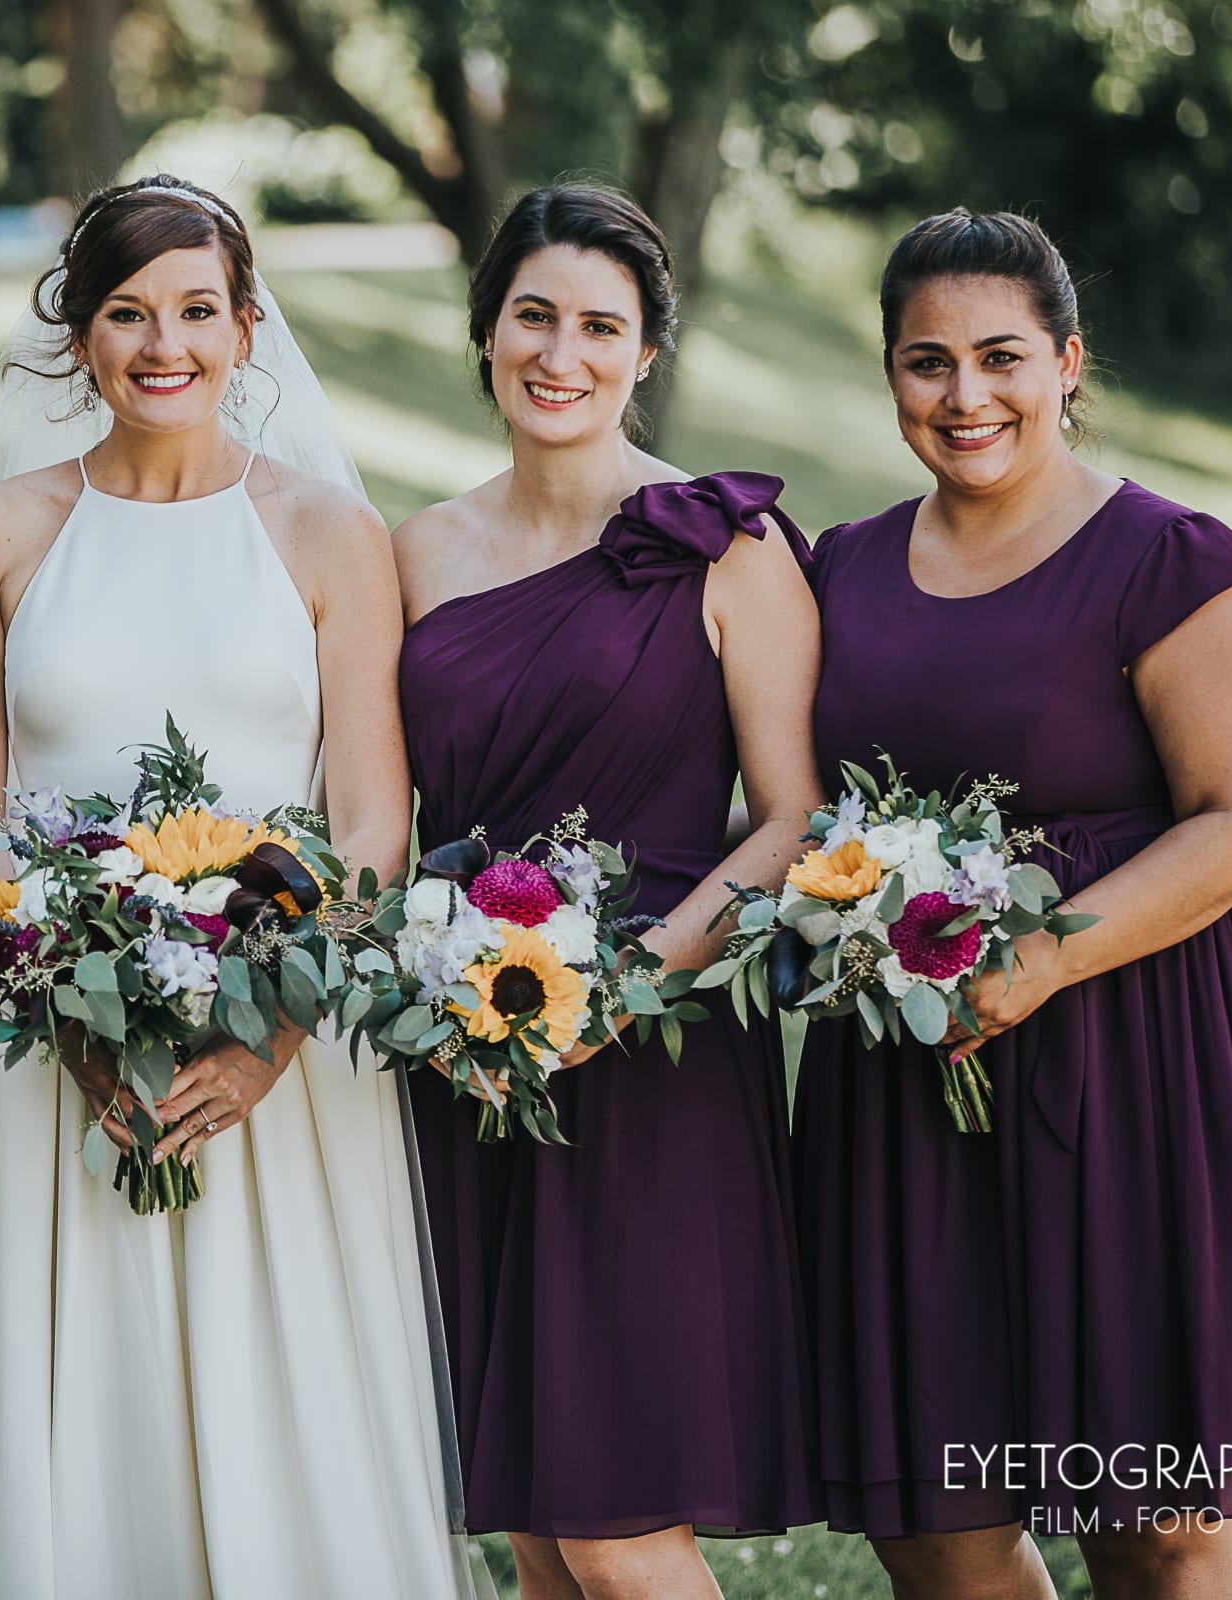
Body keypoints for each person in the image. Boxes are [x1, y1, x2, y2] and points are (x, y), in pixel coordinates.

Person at [0, 174, 485, 1599]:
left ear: (248, 325)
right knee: (63, 1392)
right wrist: (71, 1006)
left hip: (280, 1053)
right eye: (127, 314)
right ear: (78, 335)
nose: (166, 346)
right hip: (48, 1051)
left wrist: (271, 1033)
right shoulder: (0, 530)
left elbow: (371, 817)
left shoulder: (332, 534)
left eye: (198, 312)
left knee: (273, 1397)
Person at [795, 208, 1232, 1599]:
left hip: (1148, 1065)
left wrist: (1043, 963)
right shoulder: (844, 568)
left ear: (1068, 361)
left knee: (1148, 1504)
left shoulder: (1166, 561)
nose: (963, 395)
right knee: (935, 1510)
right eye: (925, 362)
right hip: (909, 1089)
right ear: (889, 377)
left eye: (1000, 356)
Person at [394, 182, 823, 1599]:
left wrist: (625, 990)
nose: (560, 354)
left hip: (657, 1053)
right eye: (533, 317)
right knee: (528, 1512)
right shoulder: (416, 553)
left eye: (599, 326)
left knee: (612, 1514)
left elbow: (791, 818)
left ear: (647, 351)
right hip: (468, 1056)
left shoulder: (727, 547)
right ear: (488, 329)